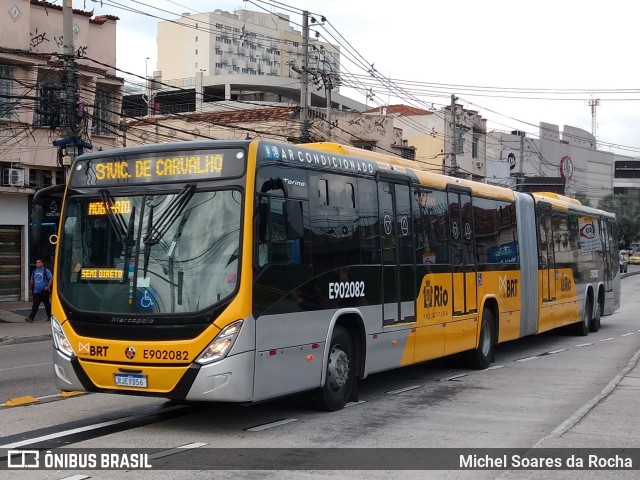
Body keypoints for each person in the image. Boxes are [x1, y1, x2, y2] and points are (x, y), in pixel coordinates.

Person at [25, 258, 52, 323]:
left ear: (42, 263)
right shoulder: (34, 271)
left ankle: (50, 317)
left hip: (44, 291)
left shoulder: (46, 270)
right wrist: (30, 289)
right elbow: (32, 280)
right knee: (35, 305)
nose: (37, 264)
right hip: (36, 291)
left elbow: (51, 279)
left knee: (47, 304)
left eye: (39, 262)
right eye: (37, 262)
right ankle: (31, 318)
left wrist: (48, 287)